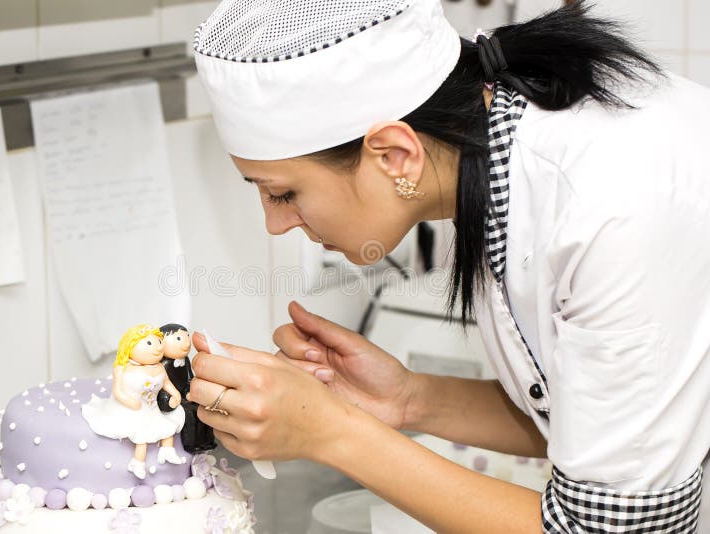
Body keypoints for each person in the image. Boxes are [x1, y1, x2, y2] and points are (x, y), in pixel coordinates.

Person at [186, 1, 710, 531]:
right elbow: (594, 417)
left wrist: (333, 432)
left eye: (282, 193)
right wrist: (408, 399)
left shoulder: (610, 206)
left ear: (394, 154)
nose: (275, 224)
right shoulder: (496, 146)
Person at [81, 324, 186, 480]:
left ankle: (167, 451)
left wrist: (175, 394)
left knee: (167, 427)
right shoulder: (122, 368)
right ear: (130, 345)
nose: (157, 348)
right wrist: (129, 402)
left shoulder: (159, 367)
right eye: (149, 343)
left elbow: (167, 383)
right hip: (131, 409)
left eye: (158, 342)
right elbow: (117, 391)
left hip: (151, 408)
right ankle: (137, 463)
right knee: (141, 436)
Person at [156, 323, 217, 453]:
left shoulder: (186, 360)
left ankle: (207, 440)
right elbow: (163, 385)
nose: (186, 343)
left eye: (186, 337)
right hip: (169, 396)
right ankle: (192, 443)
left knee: (204, 407)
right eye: (179, 339)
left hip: (184, 393)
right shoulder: (162, 365)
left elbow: (189, 377)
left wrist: (191, 389)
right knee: (189, 413)